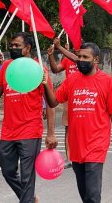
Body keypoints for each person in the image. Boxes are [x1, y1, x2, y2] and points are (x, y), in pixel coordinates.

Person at [43, 42, 112, 203]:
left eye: (85, 57)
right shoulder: (72, 79)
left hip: (96, 144)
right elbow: (53, 102)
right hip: (76, 145)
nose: (80, 60)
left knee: (93, 195)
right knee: (84, 193)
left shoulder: (107, 81)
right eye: (79, 56)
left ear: (95, 60)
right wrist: (46, 85)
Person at [0, 32, 57, 203]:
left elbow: (51, 103)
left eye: (17, 46)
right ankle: (30, 198)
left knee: (27, 177)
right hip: (8, 131)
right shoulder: (7, 66)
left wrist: (51, 133)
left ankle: (27, 199)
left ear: (28, 48)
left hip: (30, 130)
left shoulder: (39, 69)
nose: (13, 48)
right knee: (7, 170)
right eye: (12, 46)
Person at [47, 37, 78, 168]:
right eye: (75, 47)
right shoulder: (67, 61)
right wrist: (50, 56)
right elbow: (55, 69)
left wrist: (60, 48)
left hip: (83, 98)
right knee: (68, 129)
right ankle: (69, 158)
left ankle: (81, 156)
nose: (77, 50)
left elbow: (77, 59)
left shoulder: (84, 61)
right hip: (68, 99)